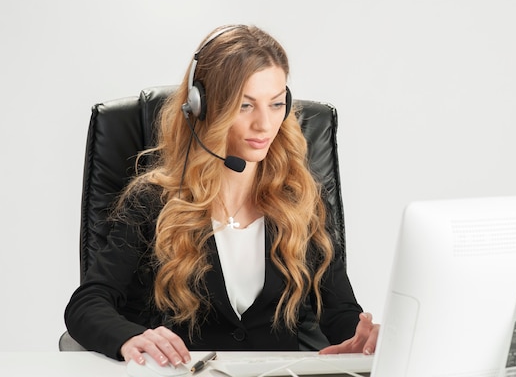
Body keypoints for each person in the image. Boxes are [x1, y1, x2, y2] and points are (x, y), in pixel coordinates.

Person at [64, 24, 379, 367]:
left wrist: (363, 339)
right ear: (203, 107)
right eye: (245, 106)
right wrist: (128, 336)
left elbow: (340, 313)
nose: (264, 124)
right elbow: (87, 303)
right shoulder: (154, 202)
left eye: (276, 104)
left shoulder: (301, 201)